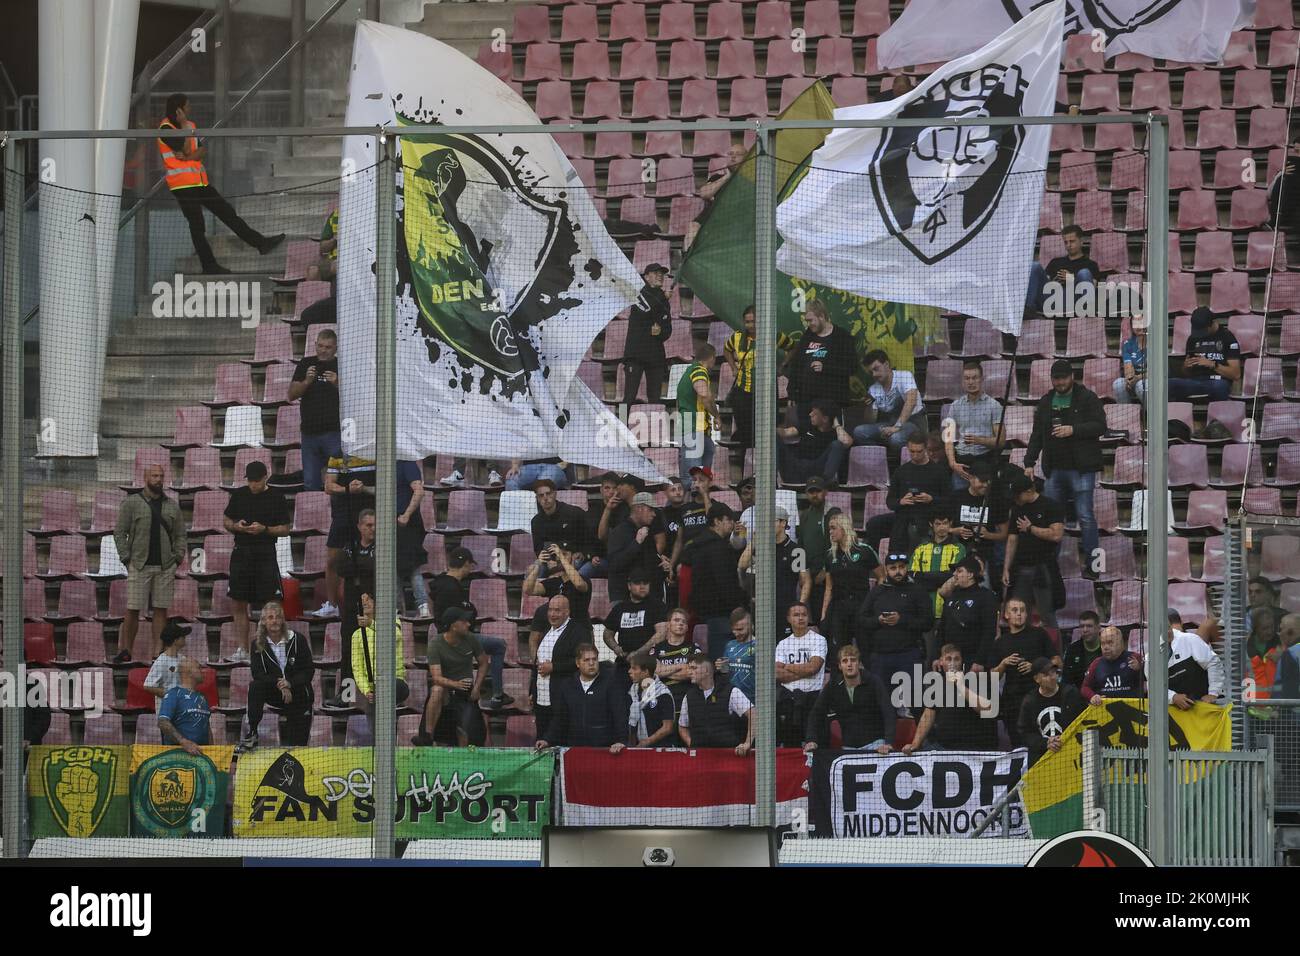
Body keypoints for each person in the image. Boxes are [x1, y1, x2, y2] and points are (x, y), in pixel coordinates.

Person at [157, 93, 283, 274]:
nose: (190, 108)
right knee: (197, 225)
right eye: (187, 105)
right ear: (179, 110)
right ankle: (209, 265)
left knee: (226, 212)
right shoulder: (166, 129)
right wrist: (184, 128)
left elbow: (200, 151)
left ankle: (260, 243)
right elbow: (184, 148)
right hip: (182, 185)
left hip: (199, 182)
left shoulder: (191, 126)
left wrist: (188, 156)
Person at [1024, 359, 1105, 577]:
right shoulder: (1045, 402)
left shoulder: (1087, 398)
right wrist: (1029, 462)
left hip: (1082, 470)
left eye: (1063, 378)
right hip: (1054, 471)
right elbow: (1036, 436)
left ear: (1072, 377)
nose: (1060, 382)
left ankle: (1095, 566)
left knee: (1086, 517)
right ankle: (1050, 565)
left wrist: (1073, 430)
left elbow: (1100, 426)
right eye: (1056, 379)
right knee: (1052, 520)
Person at [112, 463, 186, 662]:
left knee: (161, 609)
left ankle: (158, 653)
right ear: (145, 477)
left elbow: (180, 535)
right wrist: (126, 558)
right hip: (139, 564)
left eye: (161, 476)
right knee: (132, 608)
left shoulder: (172, 506)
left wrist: (177, 558)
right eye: (154, 476)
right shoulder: (131, 503)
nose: (158, 479)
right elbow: (119, 533)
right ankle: (126, 650)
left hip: (165, 566)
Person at [223, 460, 290, 663]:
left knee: (272, 604)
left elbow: (286, 528)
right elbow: (226, 520)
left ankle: (274, 649)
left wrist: (265, 529)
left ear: (265, 477)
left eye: (256, 481)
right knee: (238, 603)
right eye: (250, 481)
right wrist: (236, 527)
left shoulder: (277, 497)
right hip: (241, 553)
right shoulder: (239, 494)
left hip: (265, 554)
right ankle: (242, 649)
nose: (253, 485)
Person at [239, 600, 314, 752]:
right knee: (255, 686)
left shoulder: (297, 640)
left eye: (278, 617)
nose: (275, 621)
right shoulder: (257, 644)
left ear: (283, 620)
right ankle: (252, 732)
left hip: (299, 693)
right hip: (275, 692)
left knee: (297, 747)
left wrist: (290, 683)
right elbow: (258, 673)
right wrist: (281, 684)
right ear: (264, 622)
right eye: (270, 617)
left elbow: (308, 671)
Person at [857, 551, 931, 704]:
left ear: (907, 568)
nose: (898, 571)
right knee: (882, 703)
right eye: (893, 568)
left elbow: (927, 622)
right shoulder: (877, 592)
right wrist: (878, 621)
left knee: (917, 702)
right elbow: (862, 620)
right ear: (886, 570)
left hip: (909, 654)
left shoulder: (917, 591)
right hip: (881, 656)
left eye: (901, 567)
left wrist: (901, 620)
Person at [723, 304, 797, 449]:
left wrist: (783, 365)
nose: (750, 325)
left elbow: (793, 347)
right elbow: (726, 350)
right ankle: (748, 462)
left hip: (767, 391)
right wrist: (733, 367)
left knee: (766, 427)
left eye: (754, 321)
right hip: (743, 389)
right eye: (748, 322)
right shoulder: (737, 337)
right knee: (745, 427)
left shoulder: (773, 336)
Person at [991, 596, 1060, 748]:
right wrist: (1003, 664)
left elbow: (1057, 661)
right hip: (1012, 703)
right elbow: (991, 677)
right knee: (1018, 745)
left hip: (1040, 699)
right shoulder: (1001, 642)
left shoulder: (1039, 634)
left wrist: (1036, 667)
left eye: (1022, 610)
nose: (1019, 613)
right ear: (1006, 615)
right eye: (1014, 610)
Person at [413, 607, 488, 747]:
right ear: (454, 626)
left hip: (466, 691)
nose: (469, 624)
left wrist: (477, 688)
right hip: (446, 690)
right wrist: (455, 684)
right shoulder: (435, 644)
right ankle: (427, 736)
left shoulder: (471, 639)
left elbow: (483, 662)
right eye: (464, 622)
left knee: (470, 732)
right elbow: (436, 677)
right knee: (436, 690)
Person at [324, 508, 377, 706]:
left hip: (375, 610)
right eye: (369, 525)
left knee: (374, 652)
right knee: (348, 653)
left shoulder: (381, 547)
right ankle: (346, 696)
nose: (373, 529)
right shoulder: (350, 547)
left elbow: (374, 568)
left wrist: (358, 568)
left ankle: (377, 696)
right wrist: (360, 567)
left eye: (375, 525)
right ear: (360, 527)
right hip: (350, 611)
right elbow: (341, 567)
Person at [903, 644, 998, 753]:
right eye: (948, 659)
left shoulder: (974, 680)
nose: (952, 663)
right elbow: (928, 714)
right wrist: (915, 744)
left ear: (961, 662)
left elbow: (988, 710)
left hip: (973, 748)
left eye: (956, 659)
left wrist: (961, 687)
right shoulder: (938, 684)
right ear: (941, 662)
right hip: (943, 747)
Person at [316, 454, 377, 621]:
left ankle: (378, 605)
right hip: (343, 515)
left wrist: (364, 488)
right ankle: (332, 605)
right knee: (332, 561)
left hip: (369, 515)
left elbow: (385, 485)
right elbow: (328, 486)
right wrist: (348, 489)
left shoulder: (374, 451)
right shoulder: (336, 455)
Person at [1002, 473, 1066, 629]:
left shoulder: (1050, 506)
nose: (1015, 499)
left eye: (1018, 495)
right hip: (1021, 568)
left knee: (1047, 614)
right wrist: (1006, 568)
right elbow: (1012, 539)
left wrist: (1031, 528)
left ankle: (1055, 650)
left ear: (1029, 491)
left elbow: (1057, 535)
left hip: (1042, 568)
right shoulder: (1017, 509)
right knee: (1019, 615)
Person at [803, 644, 895, 753]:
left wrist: (888, 742)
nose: (849, 664)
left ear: (859, 664)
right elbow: (816, 713)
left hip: (876, 745)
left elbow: (888, 712)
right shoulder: (833, 685)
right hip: (848, 748)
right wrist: (811, 740)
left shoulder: (873, 681)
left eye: (853, 660)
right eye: (845, 661)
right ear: (840, 666)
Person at [683, 503, 746, 658]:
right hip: (722, 612)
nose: (732, 523)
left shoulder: (698, 544)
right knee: (724, 659)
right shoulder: (718, 548)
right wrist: (740, 604)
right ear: (717, 521)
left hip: (706, 611)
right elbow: (725, 582)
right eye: (728, 520)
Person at [536, 644, 627, 749]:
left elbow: (620, 715)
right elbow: (560, 718)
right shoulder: (568, 686)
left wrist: (621, 740)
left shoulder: (611, 683)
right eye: (586, 660)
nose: (592, 663)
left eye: (594, 659)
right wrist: (547, 739)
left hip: (604, 748)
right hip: (575, 748)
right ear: (577, 663)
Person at [876, 433, 949, 556]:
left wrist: (931, 499)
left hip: (928, 516)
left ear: (926, 449)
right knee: (874, 524)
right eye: (912, 451)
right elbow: (890, 501)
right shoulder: (901, 471)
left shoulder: (939, 471)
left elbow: (948, 499)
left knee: (915, 529)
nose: (915, 455)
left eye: (919, 451)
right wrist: (901, 501)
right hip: (904, 516)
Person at [819, 514, 880, 661]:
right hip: (839, 607)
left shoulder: (864, 550)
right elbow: (829, 587)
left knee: (865, 649)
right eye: (829, 529)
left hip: (861, 606)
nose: (830, 532)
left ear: (844, 528)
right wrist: (823, 614)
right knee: (839, 651)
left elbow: (882, 577)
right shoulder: (829, 556)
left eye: (833, 528)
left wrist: (873, 603)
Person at [530, 594, 590, 741]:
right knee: (542, 739)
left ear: (567, 612)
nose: (552, 614)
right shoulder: (546, 632)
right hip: (541, 699)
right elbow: (537, 664)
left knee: (561, 739)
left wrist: (554, 667)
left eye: (557, 610)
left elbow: (582, 662)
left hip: (563, 700)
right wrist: (532, 690)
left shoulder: (578, 632)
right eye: (550, 610)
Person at [289, 328, 340, 493]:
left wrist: (337, 382)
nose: (323, 350)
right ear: (315, 345)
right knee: (310, 482)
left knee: (336, 482)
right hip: (309, 434)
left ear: (336, 348)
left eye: (328, 347)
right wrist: (307, 381)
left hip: (334, 433)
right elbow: (291, 395)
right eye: (320, 346)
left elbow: (356, 397)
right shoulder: (305, 363)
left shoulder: (341, 364)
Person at [788, 300, 856, 426]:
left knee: (827, 439)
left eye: (811, 320)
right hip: (806, 400)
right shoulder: (807, 336)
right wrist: (792, 393)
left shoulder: (842, 337)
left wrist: (825, 368)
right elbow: (796, 364)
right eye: (807, 321)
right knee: (807, 436)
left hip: (830, 402)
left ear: (822, 316)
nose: (809, 324)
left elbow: (851, 367)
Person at [350, 591, 409, 734]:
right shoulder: (357, 635)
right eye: (362, 600)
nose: (365, 602)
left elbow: (394, 637)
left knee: (383, 698)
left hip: (395, 683)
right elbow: (357, 668)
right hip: (374, 689)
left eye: (369, 599)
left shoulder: (393, 622)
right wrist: (366, 690)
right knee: (373, 713)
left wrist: (371, 624)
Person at [738, 506, 811, 621]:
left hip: (785, 608)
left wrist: (800, 606)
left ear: (783, 523)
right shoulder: (762, 547)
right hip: (761, 608)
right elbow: (742, 565)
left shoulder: (796, 551)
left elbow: (805, 581)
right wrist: (754, 540)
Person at [603, 572, 669, 692]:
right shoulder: (620, 608)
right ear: (629, 586)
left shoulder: (657, 606)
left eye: (645, 583)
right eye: (638, 583)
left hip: (649, 663)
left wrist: (639, 653)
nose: (642, 586)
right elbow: (607, 634)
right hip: (624, 663)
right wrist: (616, 648)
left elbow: (661, 633)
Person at [677, 654, 755, 754]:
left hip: (728, 755)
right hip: (701, 758)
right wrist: (692, 744)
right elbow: (682, 726)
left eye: (694, 668)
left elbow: (753, 714)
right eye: (689, 668)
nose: (689, 672)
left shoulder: (731, 691)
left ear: (707, 671)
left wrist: (747, 743)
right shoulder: (689, 696)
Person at [775, 603, 828, 748]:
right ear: (788, 618)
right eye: (796, 615)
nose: (800, 618)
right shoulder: (783, 644)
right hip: (789, 700)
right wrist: (804, 671)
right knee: (790, 747)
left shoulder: (819, 640)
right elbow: (776, 674)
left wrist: (787, 666)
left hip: (813, 699)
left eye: (804, 614)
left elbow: (813, 668)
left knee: (816, 745)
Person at [944, 361, 1004, 489]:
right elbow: (948, 438)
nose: (970, 382)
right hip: (962, 461)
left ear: (982, 379)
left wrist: (979, 440)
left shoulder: (994, 406)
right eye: (967, 378)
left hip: (984, 460)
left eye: (974, 378)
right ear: (962, 381)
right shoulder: (955, 406)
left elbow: (1001, 441)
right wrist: (952, 463)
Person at [1017, 658, 1086, 765]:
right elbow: (1025, 733)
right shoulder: (1029, 701)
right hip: (1042, 759)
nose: (1052, 677)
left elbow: (1083, 721)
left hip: (1071, 755)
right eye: (1046, 675)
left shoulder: (1071, 694)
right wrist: (1045, 743)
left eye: (1054, 673)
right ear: (1036, 679)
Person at [933, 557, 996, 671]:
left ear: (971, 574)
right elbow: (942, 628)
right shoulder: (952, 596)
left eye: (959, 571)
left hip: (972, 660)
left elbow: (989, 631)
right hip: (950, 659)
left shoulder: (986, 596)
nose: (954, 574)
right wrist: (937, 656)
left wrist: (980, 660)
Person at [623, 263, 672, 407]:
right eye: (655, 272)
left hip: (655, 356)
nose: (660, 275)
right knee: (629, 397)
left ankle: (655, 429)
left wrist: (661, 332)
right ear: (646, 277)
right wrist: (664, 297)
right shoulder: (639, 294)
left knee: (655, 400)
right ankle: (619, 428)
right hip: (635, 355)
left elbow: (668, 329)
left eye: (661, 273)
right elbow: (648, 309)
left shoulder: (663, 300)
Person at [946, 463, 1009, 577]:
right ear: (971, 478)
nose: (985, 485)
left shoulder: (996, 501)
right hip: (956, 550)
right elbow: (939, 527)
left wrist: (988, 535)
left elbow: (1004, 534)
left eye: (988, 481)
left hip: (985, 553)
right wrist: (955, 530)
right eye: (982, 481)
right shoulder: (956, 497)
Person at [854, 350, 923, 452]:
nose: (874, 374)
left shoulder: (904, 376)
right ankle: (880, 458)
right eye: (871, 372)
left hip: (913, 422)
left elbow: (911, 401)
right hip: (889, 423)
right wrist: (869, 405)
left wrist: (896, 427)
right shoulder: (873, 389)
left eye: (876, 369)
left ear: (886, 364)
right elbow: (870, 421)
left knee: (896, 438)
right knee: (859, 431)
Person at [1168, 307, 1241, 402]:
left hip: (1216, 381)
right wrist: (1186, 367)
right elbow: (1186, 373)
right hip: (1194, 381)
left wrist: (1212, 364)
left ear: (1213, 323)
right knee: (1168, 385)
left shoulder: (1227, 338)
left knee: (1220, 386)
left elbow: (1236, 375)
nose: (1200, 334)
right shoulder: (1193, 338)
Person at [1156, 611, 1226, 710]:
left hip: (1205, 705)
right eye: (1162, 630)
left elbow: (1212, 662)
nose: (1168, 632)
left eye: (1168, 627)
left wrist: (1213, 693)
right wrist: (1173, 697)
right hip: (1178, 712)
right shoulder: (1150, 657)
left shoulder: (1189, 639)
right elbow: (1154, 687)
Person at [1026, 224, 1098, 316]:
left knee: (1084, 272)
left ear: (1081, 241)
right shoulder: (1055, 262)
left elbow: (1092, 286)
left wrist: (1072, 279)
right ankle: (1028, 308)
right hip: (1051, 300)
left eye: (1072, 241)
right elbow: (1045, 282)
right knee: (1034, 266)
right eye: (1066, 242)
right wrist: (1053, 283)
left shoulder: (1090, 264)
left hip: (1075, 301)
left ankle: (1089, 310)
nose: (1069, 245)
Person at [606, 492, 665, 603]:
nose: (654, 514)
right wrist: (637, 542)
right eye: (650, 510)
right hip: (623, 599)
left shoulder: (647, 532)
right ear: (639, 508)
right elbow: (614, 564)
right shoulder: (619, 532)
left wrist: (662, 564)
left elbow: (649, 562)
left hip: (646, 598)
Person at [778, 400, 853, 484]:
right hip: (796, 467)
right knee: (776, 440)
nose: (810, 414)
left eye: (815, 413)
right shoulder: (808, 425)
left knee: (837, 445)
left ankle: (825, 483)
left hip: (817, 471)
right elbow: (785, 432)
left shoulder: (837, 433)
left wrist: (837, 425)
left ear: (825, 418)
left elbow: (846, 442)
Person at [909, 513, 968, 620]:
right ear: (931, 524)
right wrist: (941, 579)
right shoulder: (921, 548)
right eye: (938, 524)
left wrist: (925, 578)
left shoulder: (959, 548)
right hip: (923, 610)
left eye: (945, 523)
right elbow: (912, 576)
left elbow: (954, 576)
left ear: (950, 524)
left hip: (948, 611)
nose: (942, 527)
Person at [676, 342, 721, 477]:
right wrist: (717, 416)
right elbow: (704, 395)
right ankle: (692, 495)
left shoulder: (688, 372)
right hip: (694, 428)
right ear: (712, 358)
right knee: (693, 476)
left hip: (698, 429)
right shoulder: (699, 370)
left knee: (703, 473)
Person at [524, 539, 592, 626]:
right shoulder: (554, 582)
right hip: (558, 631)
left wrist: (561, 555)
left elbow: (579, 585)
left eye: (564, 554)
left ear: (574, 557)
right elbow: (528, 590)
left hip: (579, 630)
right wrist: (538, 565)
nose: (559, 558)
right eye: (558, 555)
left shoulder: (584, 579)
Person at [618, 653, 677, 750]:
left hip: (661, 750)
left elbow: (668, 727)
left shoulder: (663, 694)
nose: (629, 671)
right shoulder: (632, 692)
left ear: (646, 672)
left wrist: (647, 741)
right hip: (638, 750)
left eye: (634, 668)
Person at [648, 607, 702, 711]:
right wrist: (681, 666)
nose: (680, 624)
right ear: (668, 625)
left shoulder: (694, 647)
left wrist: (664, 671)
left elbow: (691, 673)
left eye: (684, 622)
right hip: (662, 701)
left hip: (687, 701)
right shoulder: (657, 648)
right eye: (676, 620)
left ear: (687, 627)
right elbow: (654, 671)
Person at [798, 475, 835, 621]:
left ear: (825, 492)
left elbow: (837, 545)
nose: (814, 495)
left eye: (818, 491)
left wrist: (826, 569)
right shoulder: (805, 515)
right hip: (810, 578)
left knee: (827, 618)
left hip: (828, 577)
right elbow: (799, 546)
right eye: (811, 491)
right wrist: (801, 571)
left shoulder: (832, 513)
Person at [157, 659, 212, 754]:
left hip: (201, 756)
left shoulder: (202, 698)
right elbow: (163, 722)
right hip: (177, 755)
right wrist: (183, 742)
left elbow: (207, 728)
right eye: (198, 668)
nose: (202, 671)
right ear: (188, 672)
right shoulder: (174, 694)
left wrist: (212, 751)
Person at [1081, 626, 1144, 703]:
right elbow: (1085, 687)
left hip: (1132, 708)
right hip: (1104, 710)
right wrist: (1092, 696)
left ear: (1121, 643)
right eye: (1103, 643)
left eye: (1110, 642)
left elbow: (1150, 683)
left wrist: (1139, 670)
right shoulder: (1096, 663)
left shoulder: (1135, 658)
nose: (1105, 647)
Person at [143, 619, 190, 713]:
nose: (185, 638)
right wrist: (170, 695)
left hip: (182, 709)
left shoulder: (183, 659)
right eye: (182, 636)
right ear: (175, 640)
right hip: (166, 711)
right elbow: (148, 686)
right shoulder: (161, 662)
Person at [529, 479, 586, 556]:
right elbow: (538, 550)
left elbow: (584, 541)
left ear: (555, 494)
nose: (545, 498)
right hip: (549, 560)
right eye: (541, 495)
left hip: (572, 555)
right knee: (538, 567)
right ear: (537, 499)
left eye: (548, 493)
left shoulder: (573, 513)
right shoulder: (536, 522)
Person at [717, 608, 756, 703]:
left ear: (751, 626)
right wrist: (721, 666)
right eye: (733, 629)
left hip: (752, 697)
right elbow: (725, 673)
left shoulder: (760, 645)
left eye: (740, 629)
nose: (736, 633)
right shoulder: (730, 645)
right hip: (732, 698)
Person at [1113, 313, 1149, 406]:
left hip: (1152, 381)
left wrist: (1138, 378)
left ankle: (1150, 414)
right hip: (1136, 381)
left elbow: (1157, 372)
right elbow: (1128, 365)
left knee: (1142, 385)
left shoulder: (1157, 342)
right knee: (1118, 384)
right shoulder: (1128, 344)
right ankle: (1127, 415)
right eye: (1135, 323)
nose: (1138, 326)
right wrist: (1130, 379)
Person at [1062, 610, 1102, 689]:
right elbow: (1066, 680)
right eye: (1082, 626)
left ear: (1098, 628)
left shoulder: (1107, 647)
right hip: (1079, 695)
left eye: (1089, 626)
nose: (1085, 630)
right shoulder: (1072, 649)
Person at [506, 457, 571, 492]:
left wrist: (566, 462)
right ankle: (519, 512)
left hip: (554, 466)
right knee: (511, 479)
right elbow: (518, 444)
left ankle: (542, 514)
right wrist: (515, 465)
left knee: (543, 484)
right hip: (530, 468)